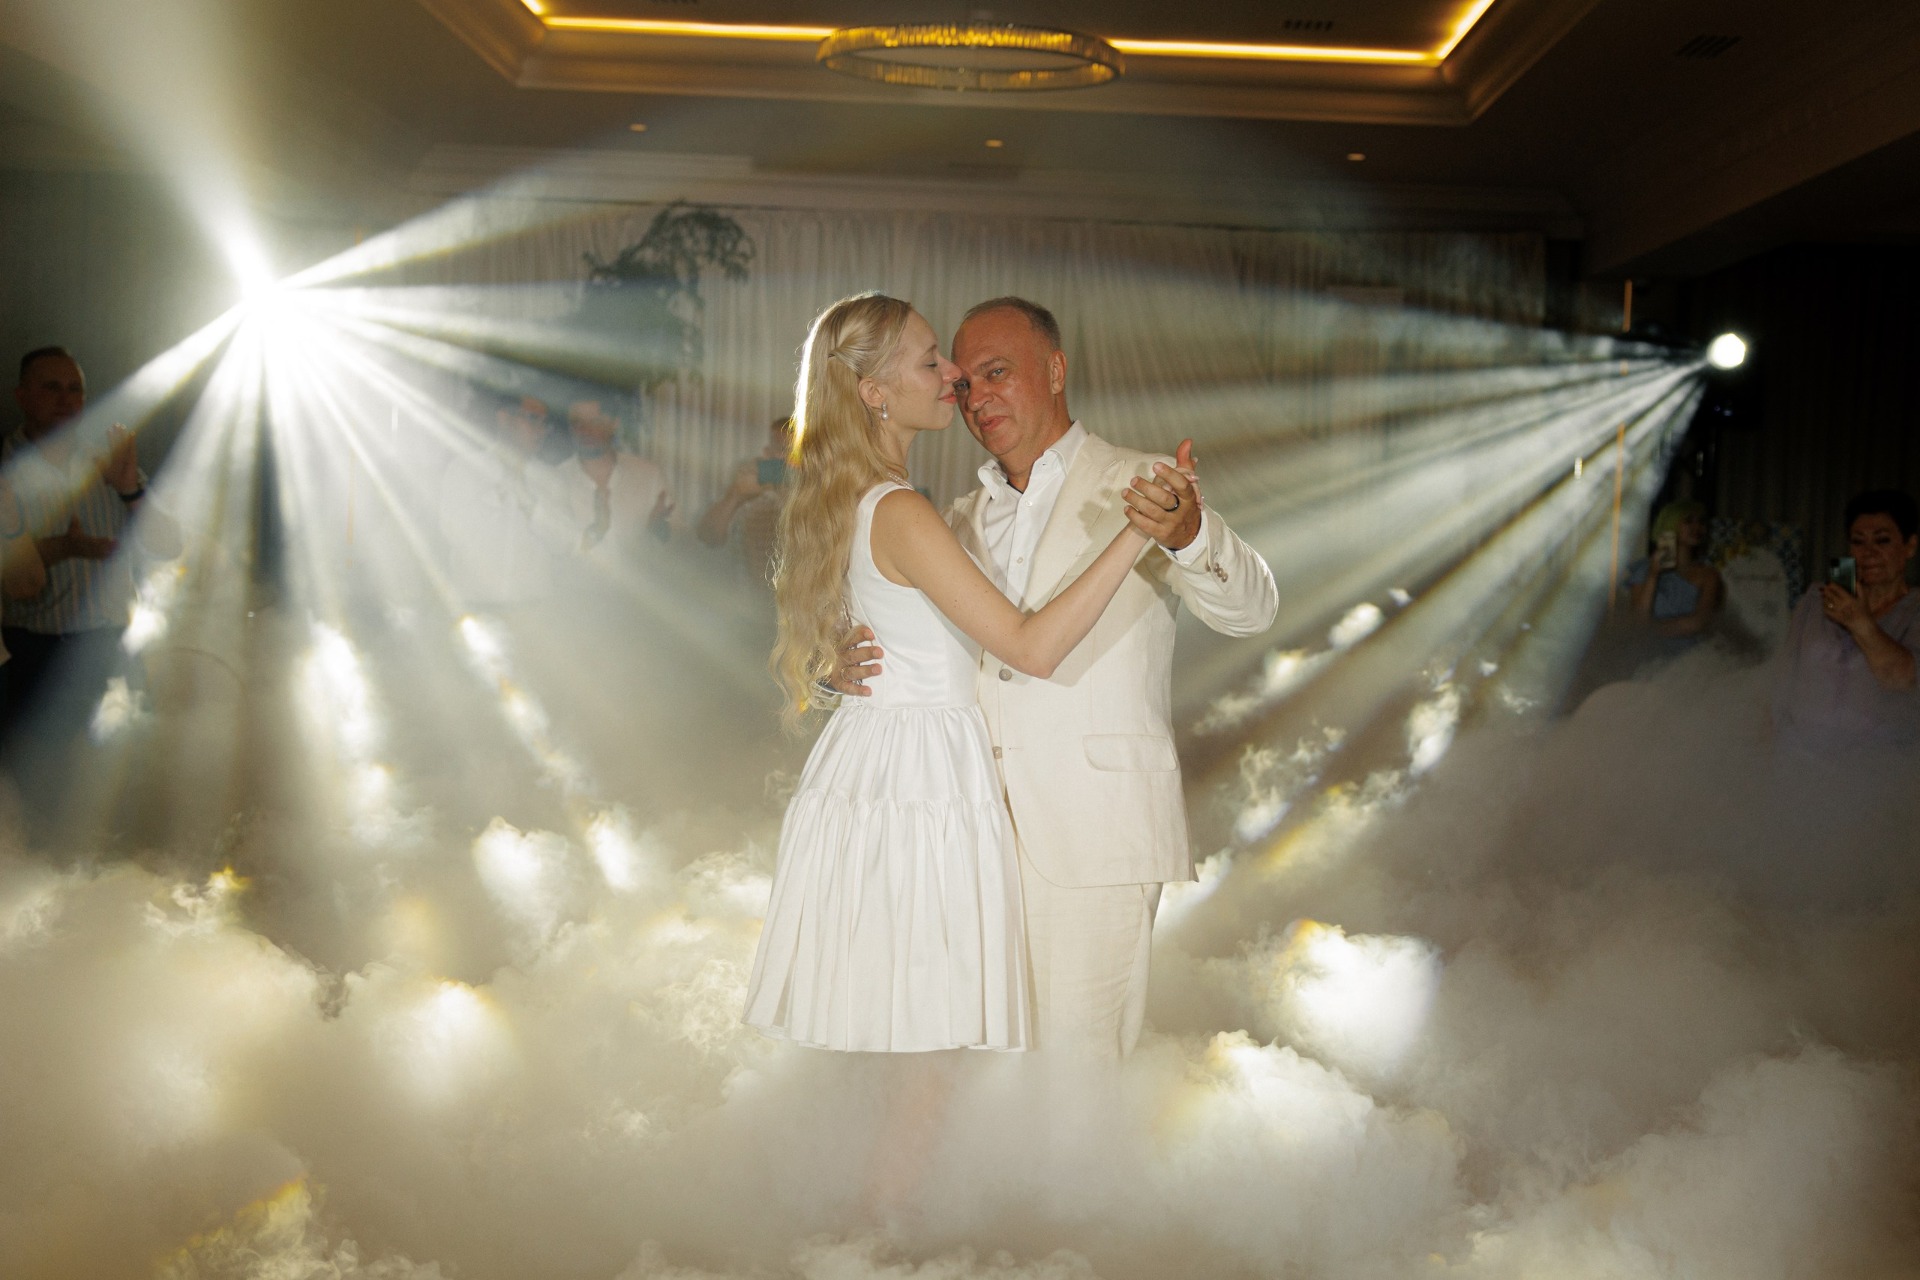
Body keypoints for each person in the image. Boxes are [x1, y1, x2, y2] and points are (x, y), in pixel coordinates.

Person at [832, 297, 1278, 1061]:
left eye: (997, 373)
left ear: (1056, 370)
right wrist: (837, 671)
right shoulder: (955, 519)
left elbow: (1253, 610)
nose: (978, 397)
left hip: (1093, 831)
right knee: (983, 1080)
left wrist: (1191, 535)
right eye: (965, 384)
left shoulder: (1144, 482)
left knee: (1078, 1079)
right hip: (967, 835)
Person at [743, 293, 1175, 1055]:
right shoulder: (903, 512)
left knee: (928, 1043)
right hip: (920, 789)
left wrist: (844, 667)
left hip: (891, 774)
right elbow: (1030, 648)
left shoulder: (883, 505)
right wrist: (1134, 534)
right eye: (930, 361)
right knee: (932, 1055)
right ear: (875, 392)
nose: (954, 378)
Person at [1, 346, 181, 818]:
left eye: (75, 389)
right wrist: (63, 548)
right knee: (38, 794)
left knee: (120, 790)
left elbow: (170, 545)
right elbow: (12, 577)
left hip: (109, 646)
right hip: (33, 652)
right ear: (22, 396)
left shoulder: (109, 460)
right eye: (51, 388)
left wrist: (129, 489)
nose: (66, 399)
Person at [1773, 489, 1920, 751]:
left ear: (1910, 546)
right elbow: (1784, 677)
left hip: (1881, 759)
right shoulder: (1816, 599)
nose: (1869, 553)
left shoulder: (1915, 610)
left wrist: (1860, 622)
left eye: (1883, 540)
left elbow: (1902, 679)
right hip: (1803, 755)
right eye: (1858, 542)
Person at [435, 392, 569, 611]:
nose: (541, 431)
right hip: (476, 605)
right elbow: (453, 534)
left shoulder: (552, 480)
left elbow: (563, 545)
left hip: (536, 609)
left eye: (545, 423)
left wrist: (531, 506)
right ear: (504, 418)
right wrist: (500, 490)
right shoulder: (464, 468)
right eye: (533, 419)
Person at [558, 396, 673, 569]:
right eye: (577, 423)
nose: (586, 430)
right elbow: (555, 553)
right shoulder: (555, 479)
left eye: (596, 422)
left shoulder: (649, 475)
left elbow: (679, 544)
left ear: (615, 423)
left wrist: (659, 530)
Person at [696, 415, 793, 583]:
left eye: (793, 452)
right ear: (767, 451)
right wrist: (735, 495)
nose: (786, 458)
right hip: (743, 591)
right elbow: (707, 537)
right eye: (781, 449)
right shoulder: (750, 482)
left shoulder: (816, 491)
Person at [1624, 499, 1722, 641]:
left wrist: (1650, 631)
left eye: (1701, 522)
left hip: (1690, 650)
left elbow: (1699, 622)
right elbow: (1638, 620)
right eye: (1689, 521)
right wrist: (1653, 575)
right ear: (1670, 525)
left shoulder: (1708, 575)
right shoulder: (1644, 569)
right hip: (1647, 649)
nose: (1697, 527)